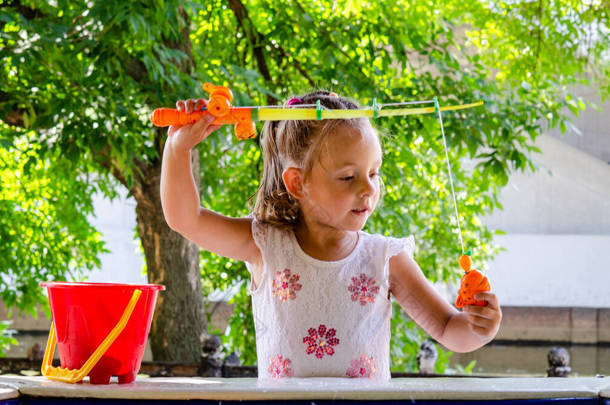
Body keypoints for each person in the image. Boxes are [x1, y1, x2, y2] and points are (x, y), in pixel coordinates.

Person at [160, 90, 502, 380]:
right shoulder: (266, 245)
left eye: (374, 172)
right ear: (298, 182)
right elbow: (185, 219)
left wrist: (478, 328)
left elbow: (447, 329)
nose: (369, 189)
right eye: (348, 177)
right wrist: (178, 150)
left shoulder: (386, 258)